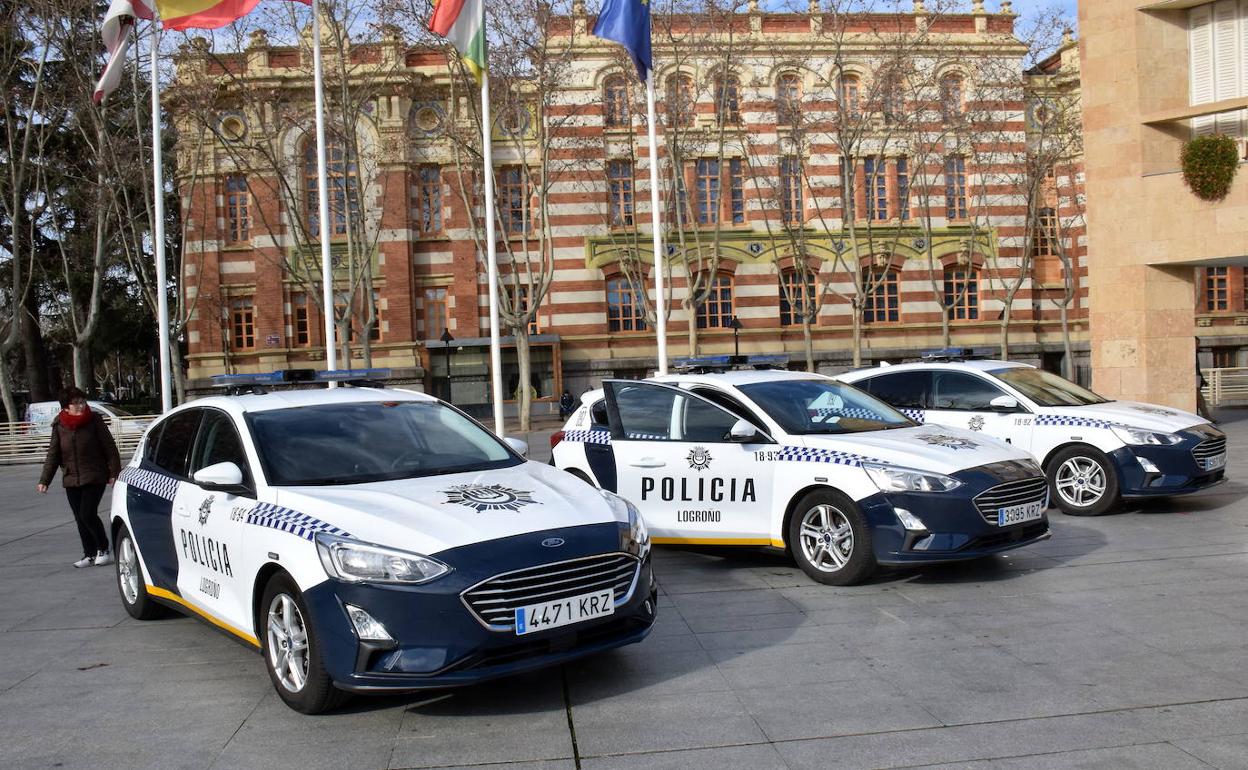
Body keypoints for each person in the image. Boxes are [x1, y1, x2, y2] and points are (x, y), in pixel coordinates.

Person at [36, 387, 121, 568]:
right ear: (66, 407)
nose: (81, 406)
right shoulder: (59, 424)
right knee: (79, 517)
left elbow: (110, 448)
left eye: (83, 402)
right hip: (71, 477)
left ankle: (104, 548)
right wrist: (44, 480)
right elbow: (53, 454)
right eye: (76, 403)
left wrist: (114, 472)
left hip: (95, 474)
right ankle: (89, 554)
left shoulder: (95, 421)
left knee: (87, 513)